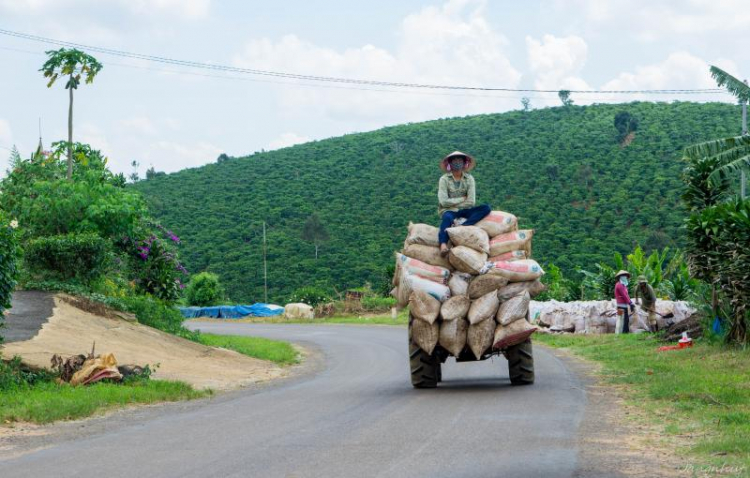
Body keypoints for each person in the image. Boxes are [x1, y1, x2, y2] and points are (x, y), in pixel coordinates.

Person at [437, 151, 491, 256]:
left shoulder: (469, 179)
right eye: (454, 160)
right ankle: (443, 244)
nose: (457, 162)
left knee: (486, 208)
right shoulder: (444, 179)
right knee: (447, 218)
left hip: (465, 209)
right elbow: (443, 201)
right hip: (449, 210)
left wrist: (453, 203)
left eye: (460, 160)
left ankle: (463, 226)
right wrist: (462, 199)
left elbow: (471, 201)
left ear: (464, 163)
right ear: (450, 163)